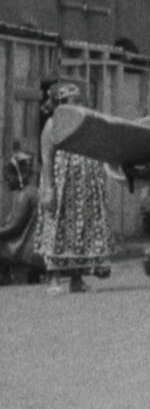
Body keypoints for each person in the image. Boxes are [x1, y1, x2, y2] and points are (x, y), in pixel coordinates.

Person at [35, 80, 116, 294]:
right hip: (62, 187)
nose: (77, 105)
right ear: (60, 103)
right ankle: (53, 278)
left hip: (84, 189)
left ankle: (77, 279)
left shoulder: (85, 123)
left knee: (82, 230)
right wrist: (48, 188)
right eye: (72, 101)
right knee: (58, 227)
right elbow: (46, 159)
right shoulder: (52, 125)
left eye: (79, 101)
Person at [0, 152, 43, 282]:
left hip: (25, 249)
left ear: (19, 175)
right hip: (35, 246)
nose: (5, 181)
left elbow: (15, 228)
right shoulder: (32, 191)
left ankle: (3, 277)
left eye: (8, 177)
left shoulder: (24, 196)